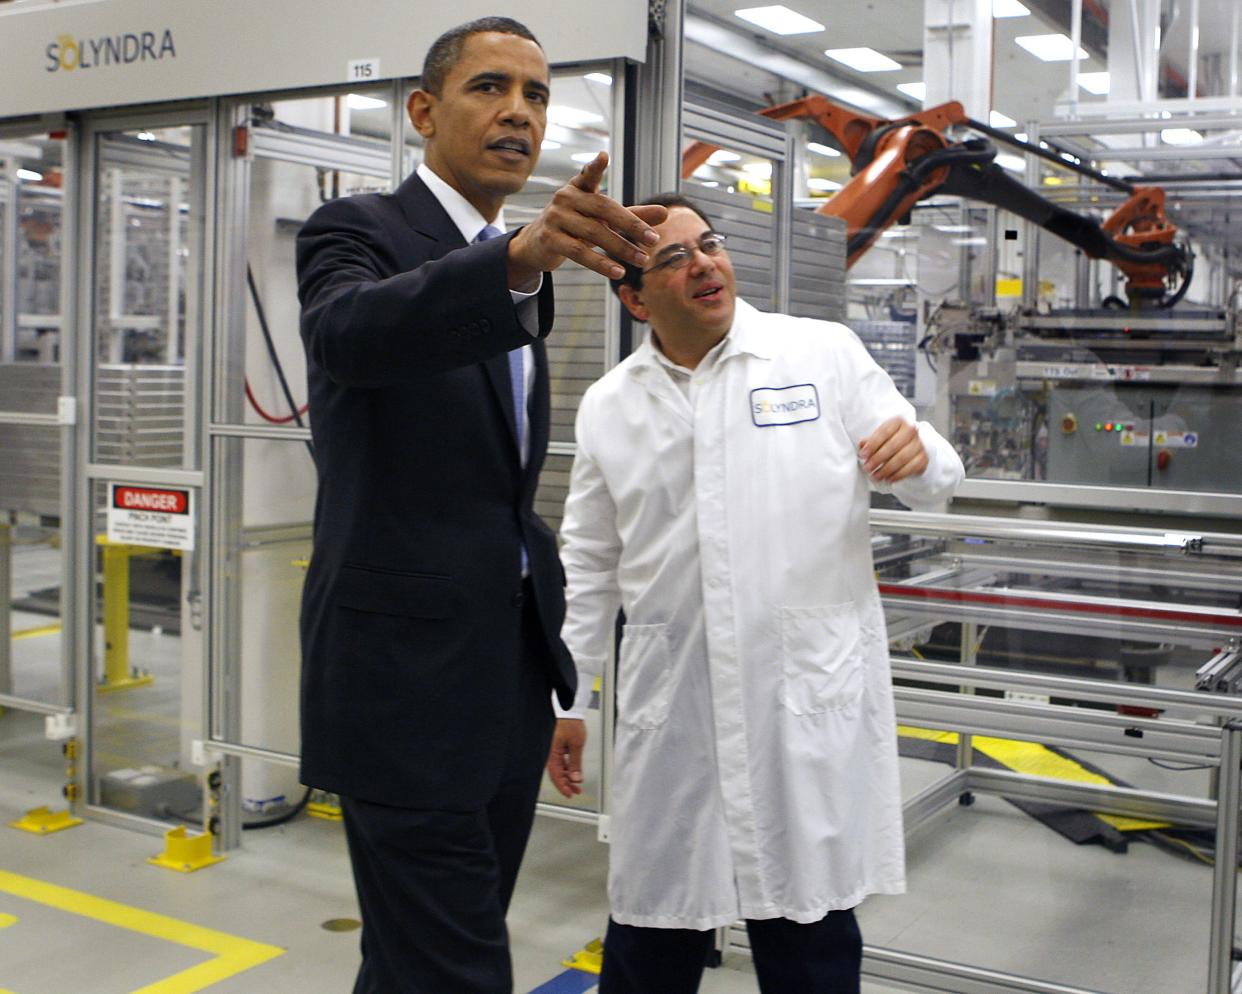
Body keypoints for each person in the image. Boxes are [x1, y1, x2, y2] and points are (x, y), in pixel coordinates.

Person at [296, 17, 665, 994]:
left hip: (500, 674)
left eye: (537, 96)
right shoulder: (362, 233)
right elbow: (347, 336)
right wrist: (513, 264)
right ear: (424, 110)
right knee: (458, 967)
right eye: (490, 88)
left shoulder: (515, 267)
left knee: (418, 957)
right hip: (400, 684)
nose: (518, 113)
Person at [546, 193, 965, 994]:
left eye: (708, 244)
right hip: (676, 713)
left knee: (808, 941)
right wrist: (569, 699)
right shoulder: (611, 407)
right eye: (673, 259)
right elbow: (591, 563)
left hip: (797, 709)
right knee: (651, 933)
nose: (704, 264)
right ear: (635, 299)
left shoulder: (820, 354)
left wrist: (923, 457)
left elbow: (932, 470)